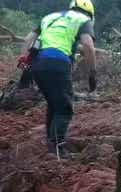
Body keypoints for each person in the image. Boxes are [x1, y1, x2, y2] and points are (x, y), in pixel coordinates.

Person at [20, 0, 97, 157]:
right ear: (89, 13)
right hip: (58, 63)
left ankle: (51, 143)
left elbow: (28, 39)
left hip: (37, 65)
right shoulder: (83, 20)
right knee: (64, 108)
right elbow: (88, 46)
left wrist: (23, 62)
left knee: (54, 104)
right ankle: (57, 148)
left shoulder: (49, 17)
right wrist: (92, 73)